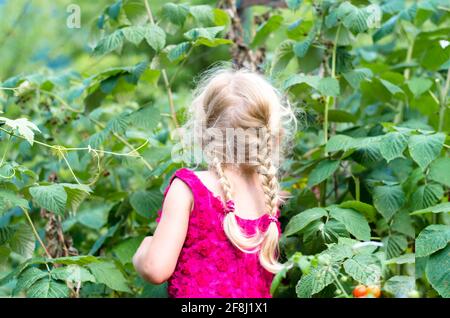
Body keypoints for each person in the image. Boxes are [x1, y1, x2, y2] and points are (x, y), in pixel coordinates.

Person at [133, 66, 296, 298]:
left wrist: (143, 250)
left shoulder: (189, 188)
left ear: (203, 132)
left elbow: (155, 269)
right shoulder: (268, 193)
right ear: (271, 135)